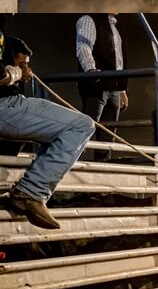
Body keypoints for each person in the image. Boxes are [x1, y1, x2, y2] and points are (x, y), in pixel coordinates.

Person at [0, 20, 95, 229]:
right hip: (4, 105)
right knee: (81, 125)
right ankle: (30, 192)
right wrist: (16, 72)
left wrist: (12, 59)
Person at [76, 13, 128, 162]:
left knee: (108, 133)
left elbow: (118, 59)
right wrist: (91, 71)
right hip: (96, 84)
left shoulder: (114, 26)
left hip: (115, 88)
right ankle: (72, 162)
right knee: (87, 126)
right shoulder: (89, 19)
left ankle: (103, 163)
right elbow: (84, 46)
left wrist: (122, 89)